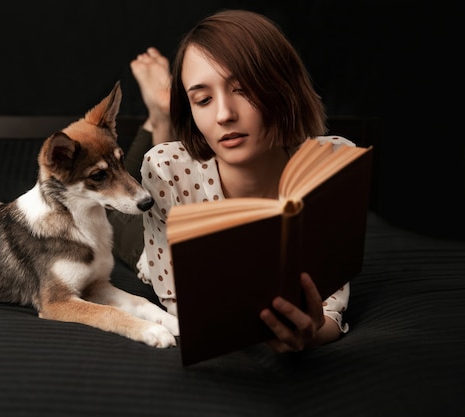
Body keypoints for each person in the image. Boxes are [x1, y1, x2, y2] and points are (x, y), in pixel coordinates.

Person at [116, 9, 353, 352]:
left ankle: (161, 117)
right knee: (117, 203)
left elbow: (331, 304)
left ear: (282, 90)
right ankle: (160, 117)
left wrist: (313, 332)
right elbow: (176, 298)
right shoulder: (167, 169)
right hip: (154, 241)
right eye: (203, 99)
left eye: (243, 90)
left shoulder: (331, 165)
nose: (225, 114)